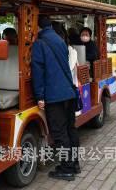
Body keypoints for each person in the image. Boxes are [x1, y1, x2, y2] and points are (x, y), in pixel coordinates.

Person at [31, 15, 80, 181]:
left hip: (54, 96)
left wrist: (39, 96)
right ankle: (74, 164)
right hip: (68, 92)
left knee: (59, 133)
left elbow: (38, 72)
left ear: (37, 28)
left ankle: (66, 169)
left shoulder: (39, 43)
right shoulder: (59, 40)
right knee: (70, 129)